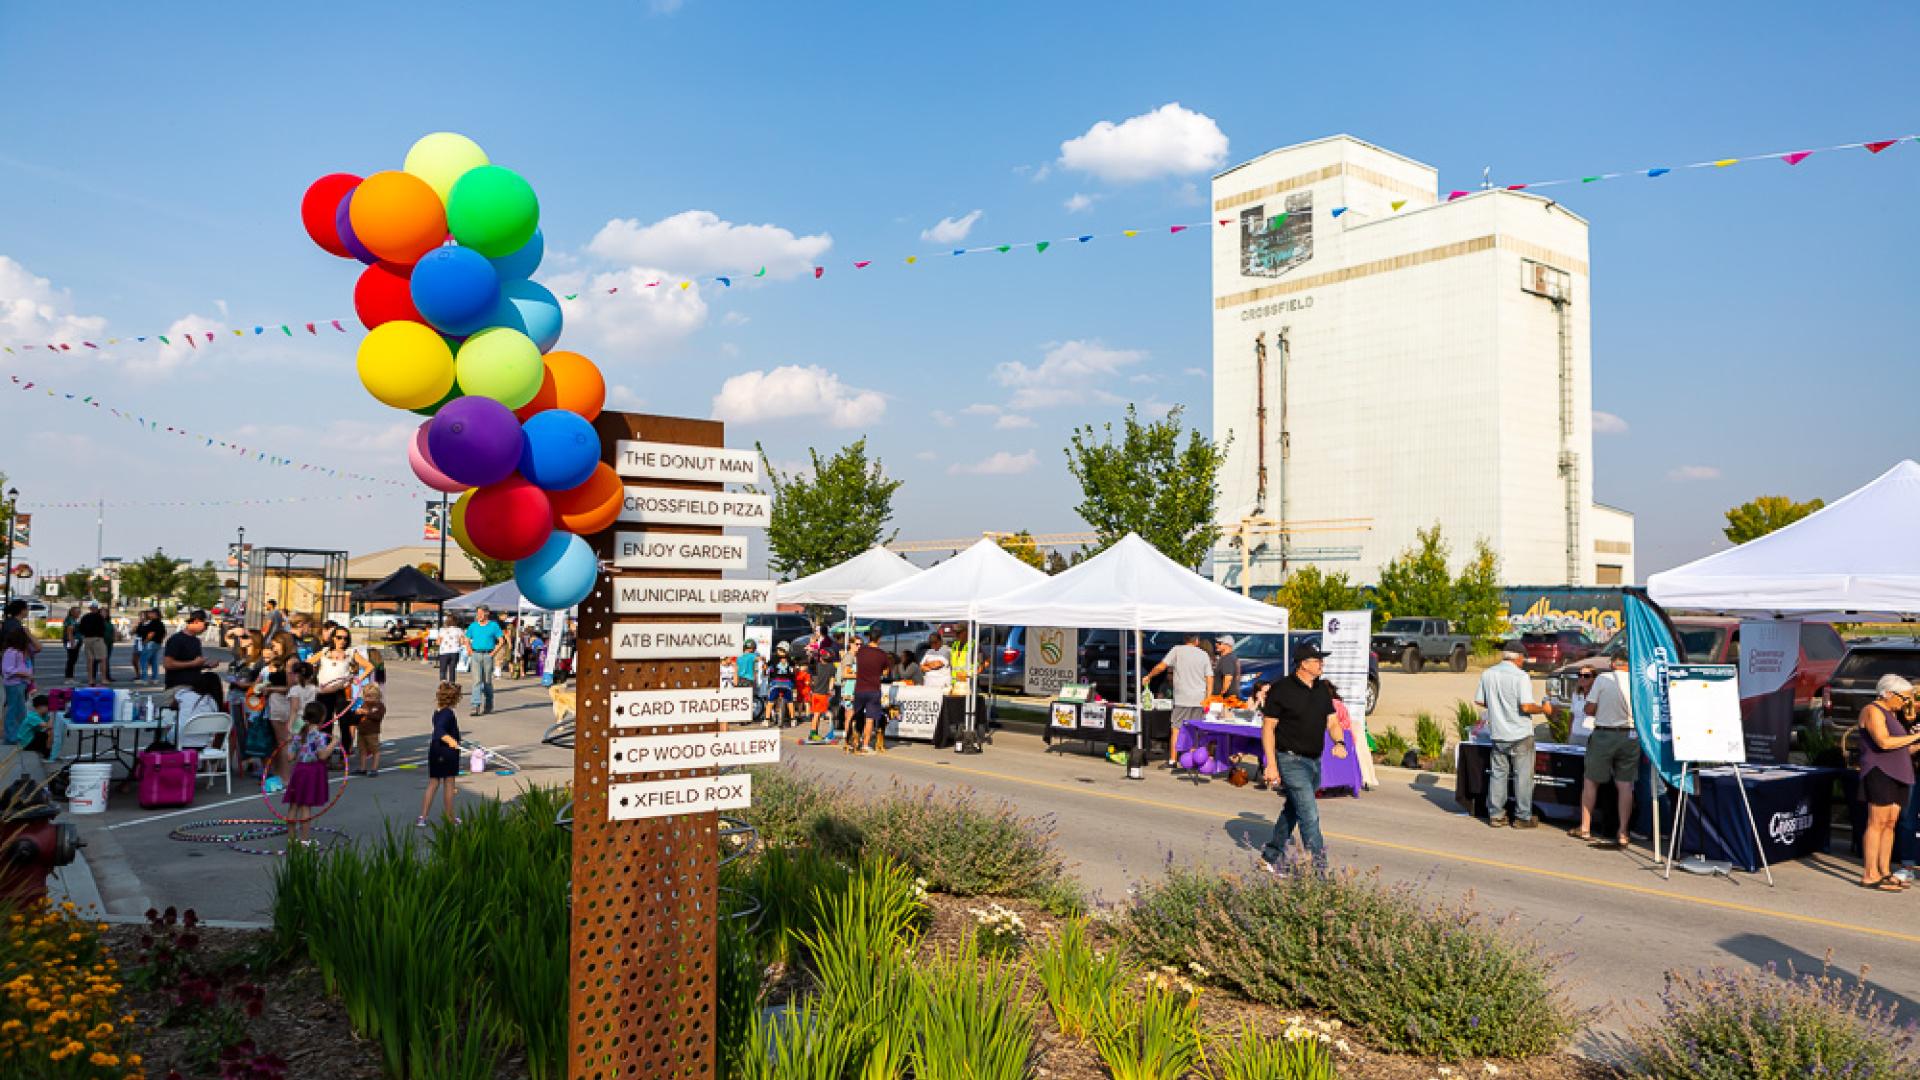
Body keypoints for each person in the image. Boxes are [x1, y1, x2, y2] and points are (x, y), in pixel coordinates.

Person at [1254, 644, 1348, 871]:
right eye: (1317, 660)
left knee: (1294, 810)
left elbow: (1332, 721)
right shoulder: (1281, 690)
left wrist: (1339, 742)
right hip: (1290, 760)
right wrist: (1271, 765)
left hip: (1314, 761)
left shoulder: (1321, 690)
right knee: (1310, 815)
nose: (1321, 664)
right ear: (1303, 664)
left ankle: (1270, 856)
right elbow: (1268, 728)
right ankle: (1319, 872)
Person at [1474, 646, 1556, 829]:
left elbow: (1479, 700)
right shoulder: (1521, 676)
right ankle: (1522, 816)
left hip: (1498, 733)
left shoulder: (1488, 674)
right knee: (1523, 777)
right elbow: (1526, 706)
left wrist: (1497, 704)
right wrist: (1543, 709)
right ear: (1518, 657)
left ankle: (1496, 815)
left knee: (1498, 774)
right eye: (1523, 658)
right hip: (1519, 733)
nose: (1523, 661)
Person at [1857, 675, 1920, 891]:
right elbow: (1883, 742)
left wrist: (1916, 743)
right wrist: (1915, 737)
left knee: (1890, 823)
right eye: (1904, 698)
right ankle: (1869, 874)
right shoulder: (1872, 710)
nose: (1906, 703)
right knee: (1877, 823)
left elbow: (1902, 747)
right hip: (1879, 772)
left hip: (1899, 772)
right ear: (1889, 694)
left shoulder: (1893, 713)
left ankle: (1884, 871)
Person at [1574, 654, 1640, 847]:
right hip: (1630, 736)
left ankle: (1585, 827)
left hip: (1604, 734)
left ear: (1612, 664)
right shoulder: (1637, 680)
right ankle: (1623, 831)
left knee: (1591, 781)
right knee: (1625, 785)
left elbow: (1590, 709)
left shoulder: (1603, 679)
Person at [1149, 633, 1215, 766]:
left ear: (1185, 640)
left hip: (1182, 699)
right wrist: (1208, 697)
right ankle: (1195, 759)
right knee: (1196, 730)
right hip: (1199, 699)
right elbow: (1209, 677)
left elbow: (1162, 666)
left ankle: (1173, 760)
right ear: (1197, 641)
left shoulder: (1177, 650)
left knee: (1176, 729)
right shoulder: (1204, 655)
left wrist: (1149, 676)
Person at [314, 627, 375, 761]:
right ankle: (325, 756)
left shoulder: (350, 652)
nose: (342, 641)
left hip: (342, 691)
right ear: (333, 638)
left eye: (345, 638)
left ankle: (344, 756)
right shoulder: (325, 651)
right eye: (339, 637)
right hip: (324, 692)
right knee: (325, 723)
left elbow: (370, 666)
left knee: (344, 723)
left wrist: (357, 679)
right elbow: (308, 663)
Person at [282, 701, 337, 844]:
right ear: (322, 718)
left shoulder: (298, 734)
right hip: (311, 772)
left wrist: (289, 742)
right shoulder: (319, 736)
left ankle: (292, 839)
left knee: (294, 805)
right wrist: (334, 742)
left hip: (299, 771)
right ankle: (304, 841)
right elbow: (323, 755)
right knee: (305, 806)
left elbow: (289, 758)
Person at [419, 681, 464, 827]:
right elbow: (439, 731)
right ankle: (450, 818)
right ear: (454, 699)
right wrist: (451, 740)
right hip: (446, 752)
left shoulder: (437, 712)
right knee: (449, 784)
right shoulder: (448, 713)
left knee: (433, 783)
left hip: (435, 750)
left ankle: (423, 817)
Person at [849, 632, 892, 754]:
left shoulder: (861, 651)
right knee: (870, 719)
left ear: (869, 638)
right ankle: (865, 745)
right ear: (879, 639)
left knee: (857, 717)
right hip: (873, 689)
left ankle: (854, 743)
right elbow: (885, 672)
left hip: (859, 689)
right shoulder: (882, 654)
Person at [464, 607, 505, 716]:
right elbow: (466, 639)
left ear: (487, 613)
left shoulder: (493, 625)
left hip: (488, 655)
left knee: (487, 682)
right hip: (476, 655)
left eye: (481, 613)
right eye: (478, 613)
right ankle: (475, 705)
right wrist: (469, 649)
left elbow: (501, 641)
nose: (479, 615)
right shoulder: (473, 626)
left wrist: (493, 653)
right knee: (476, 681)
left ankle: (488, 705)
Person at [161, 609, 211, 694]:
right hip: (177, 687)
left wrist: (206, 665)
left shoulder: (196, 641)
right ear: (196, 621)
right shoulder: (176, 639)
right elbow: (168, 664)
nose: (206, 629)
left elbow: (192, 663)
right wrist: (193, 663)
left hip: (194, 687)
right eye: (206, 625)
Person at [1, 622, 33, 745]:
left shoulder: (20, 652)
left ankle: (19, 734)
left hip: (20, 683)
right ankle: (11, 736)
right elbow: (7, 669)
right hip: (13, 683)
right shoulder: (11, 652)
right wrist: (24, 674)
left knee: (20, 710)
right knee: (13, 710)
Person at [354, 682, 387, 777]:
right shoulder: (363, 704)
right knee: (362, 750)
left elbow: (377, 717)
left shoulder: (379, 706)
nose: (367, 699)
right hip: (362, 731)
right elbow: (356, 714)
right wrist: (357, 712)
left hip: (372, 732)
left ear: (377, 697)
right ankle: (362, 768)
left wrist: (366, 712)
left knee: (374, 750)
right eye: (365, 696)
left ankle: (374, 768)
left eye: (370, 696)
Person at [77, 601, 109, 687]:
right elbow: (103, 628)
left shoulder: (85, 617)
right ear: (97, 608)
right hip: (97, 639)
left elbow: (80, 629)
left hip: (87, 639)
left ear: (90, 608)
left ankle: (91, 679)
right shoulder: (100, 617)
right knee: (102, 659)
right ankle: (103, 679)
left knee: (90, 660)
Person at [765, 642, 797, 726]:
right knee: (790, 702)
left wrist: (766, 668)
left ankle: (767, 720)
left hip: (776, 682)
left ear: (780, 649)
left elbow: (767, 667)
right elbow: (793, 671)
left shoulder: (774, 658)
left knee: (770, 702)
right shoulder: (790, 659)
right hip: (787, 683)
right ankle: (793, 720)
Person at [133, 609, 167, 684]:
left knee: (143, 659)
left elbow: (151, 633)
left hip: (151, 643)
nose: (148, 614)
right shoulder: (160, 623)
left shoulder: (154, 623)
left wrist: (146, 641)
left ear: (155, 614)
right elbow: (164, 634)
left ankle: (144, 679)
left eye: (150, 613)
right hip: (157, 644)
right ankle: (155, 678)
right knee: (153, 661)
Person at [435, 619, 465, 684]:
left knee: (443, 669)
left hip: (444, 652)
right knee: (452, 669)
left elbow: (438, 642)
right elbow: (462, 642)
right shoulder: (459, 630)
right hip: (455, 652)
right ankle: (452, 684)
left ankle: (443, 684)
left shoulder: (442, 630)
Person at [61, 604, 81, 683]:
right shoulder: (71, 620)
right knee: (71, 659)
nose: (79, 614)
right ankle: (69, 678)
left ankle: (70, 677)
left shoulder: (73, 619)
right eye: (77, 612)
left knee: (72, 659)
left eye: (79, 612)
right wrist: (72, 642)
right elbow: (70, 631)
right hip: (72, 641)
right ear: (72, 612)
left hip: (74, 641)